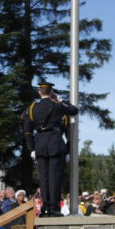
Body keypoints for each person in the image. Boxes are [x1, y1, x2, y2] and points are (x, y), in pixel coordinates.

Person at [23, 81, 79, 216]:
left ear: (39, 92)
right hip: (55, 143)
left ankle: (45, 208)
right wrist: (60, 101)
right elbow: (74, 110)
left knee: (44, 178)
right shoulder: (58, 106)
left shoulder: (32, 108)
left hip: (40, 144)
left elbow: (27, 131)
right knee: (55, 177)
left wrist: (32, 149)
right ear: (51, 92)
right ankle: (54, 208)